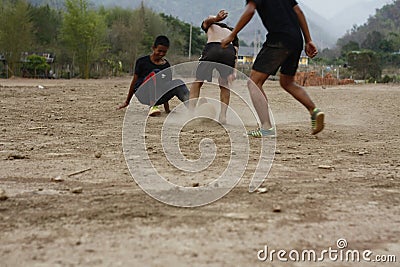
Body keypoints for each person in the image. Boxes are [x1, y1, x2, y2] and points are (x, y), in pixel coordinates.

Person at [221, 0, 324, 136]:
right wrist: (308, 40)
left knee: (254, 82)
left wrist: (232, 35)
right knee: (287, 82)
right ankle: (314, 111)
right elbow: (298, 11)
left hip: (279, 39)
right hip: (296, 39)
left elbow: (250, 10)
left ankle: (266, 127)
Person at [118, 35, 189, 116]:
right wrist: (127, 102)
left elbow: (167, 86)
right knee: (155, 73)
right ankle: (153, 106)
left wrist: (167, 109)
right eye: (159, 51)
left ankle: (194, 108)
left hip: (159, 96)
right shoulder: (142, 62)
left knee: (177, 83)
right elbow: (134, 81)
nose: (161, 54)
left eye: (164, 52)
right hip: (143, 94)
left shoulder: (166, 65)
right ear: (153, 48)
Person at [189, 10, 239, 124]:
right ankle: (223, 116)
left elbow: (206, 22)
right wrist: (234, 72)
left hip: (213, 48)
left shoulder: (212, 25)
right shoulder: (232, 32)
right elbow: (235, 52)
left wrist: (216, 18)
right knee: (224, 84)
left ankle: (190, 112)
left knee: (198, 81)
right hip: (228, 51)